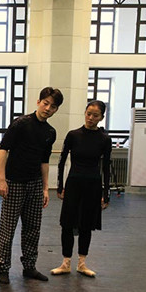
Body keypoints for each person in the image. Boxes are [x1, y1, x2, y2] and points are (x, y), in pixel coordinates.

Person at [0, 87, 64, 284]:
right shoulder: (21, 124)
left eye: (53, 106)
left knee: (33, 228)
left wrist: (45, 188)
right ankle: (3, 268)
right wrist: (2, 179)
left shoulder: (50, 132)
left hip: (34, 185)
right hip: (14, 183)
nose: (48, 108)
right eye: (45, 103)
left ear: (56, 110)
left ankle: (29, 266)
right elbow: (3, 150)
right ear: (38, 102)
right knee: (8, 229)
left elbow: (44, 161)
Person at [51, 100, 111, 277]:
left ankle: (82, 263)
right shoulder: (73, 135)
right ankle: (65, 263)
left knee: (86, 225)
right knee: (67, 224)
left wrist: (105, 194)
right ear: (85, 113)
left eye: (95, 115)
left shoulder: (104, 139)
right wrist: (60, 186)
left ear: (101, 117)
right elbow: (61, 162)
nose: (91, 118)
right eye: (88, 114)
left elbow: (106, 167)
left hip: (93, 185)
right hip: (74, 183)